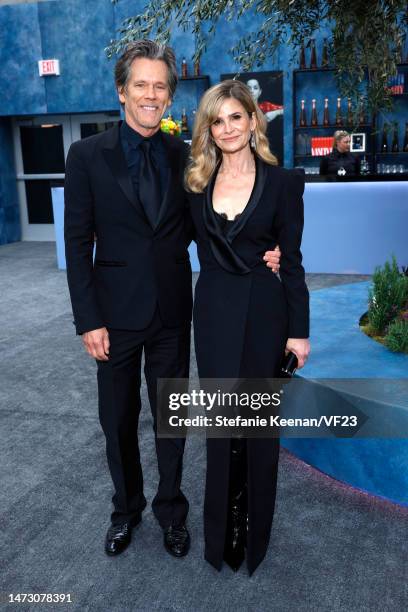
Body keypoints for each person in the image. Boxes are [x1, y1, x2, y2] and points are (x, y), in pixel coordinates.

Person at [64, 40, 282, 560]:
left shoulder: (187, 156)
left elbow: (213, 227)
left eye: (160, 86)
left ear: (169, 97)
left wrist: (263, 253)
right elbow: (76, 243)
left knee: (171, 419)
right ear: (122, 91)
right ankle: (126, 510)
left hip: (171, 312)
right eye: (140, 84)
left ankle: (171, 511)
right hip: (111, 318)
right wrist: (87, 319)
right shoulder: (87, 155)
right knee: (116, 420)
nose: (151, 94)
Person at [185, 80, 310, 575]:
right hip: (213, 313)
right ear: (209, 130)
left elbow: (294, 262)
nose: (228, 128)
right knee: (221, 429)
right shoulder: (195, 185)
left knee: (258, 430)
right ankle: (220, 538)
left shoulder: (282, 184)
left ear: (254, 120)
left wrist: (298, 332)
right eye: (218, 120)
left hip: (264, 311)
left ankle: (254, 538)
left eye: (236, 117)